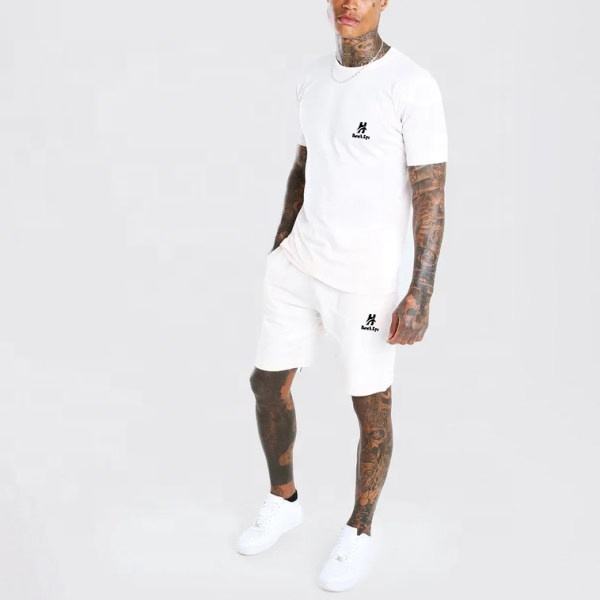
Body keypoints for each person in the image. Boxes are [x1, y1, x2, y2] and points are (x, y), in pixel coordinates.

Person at [236, 0, 448, 591]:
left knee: (370, 409)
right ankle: (283, 500)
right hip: (298, 265)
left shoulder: (411, 85)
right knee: (266, 384)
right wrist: (281, 242)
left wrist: (420, 290)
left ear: (384, 3)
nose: (348, 3)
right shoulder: (311, 77)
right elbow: (305, 164)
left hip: (365, 282)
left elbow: (431, 195)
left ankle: (359, 530)